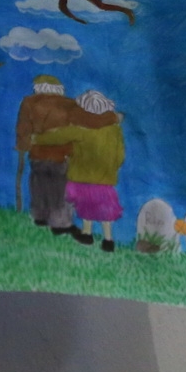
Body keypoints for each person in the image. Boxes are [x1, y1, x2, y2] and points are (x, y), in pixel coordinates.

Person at [15, 74, 118, 234]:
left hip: (37, 155)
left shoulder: (28, 102)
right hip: (60, 156)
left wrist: (23, 145)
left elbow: (23, 127)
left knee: (39, 184)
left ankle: (40, 216)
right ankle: (60, 222)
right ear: (59, 89)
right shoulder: (67, 104)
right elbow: (91, 120)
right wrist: (112, 117)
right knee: (60, 190)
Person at [33, 90, 126, 251]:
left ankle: (87, 234)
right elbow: (120, 155)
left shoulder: (81, 129)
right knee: (105, 210)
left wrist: (37, 138)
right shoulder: (114, 130)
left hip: (82, 178)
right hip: (105, 180)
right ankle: (108, 240)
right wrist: (111, 168)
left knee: (85, 208)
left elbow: (57, 136)